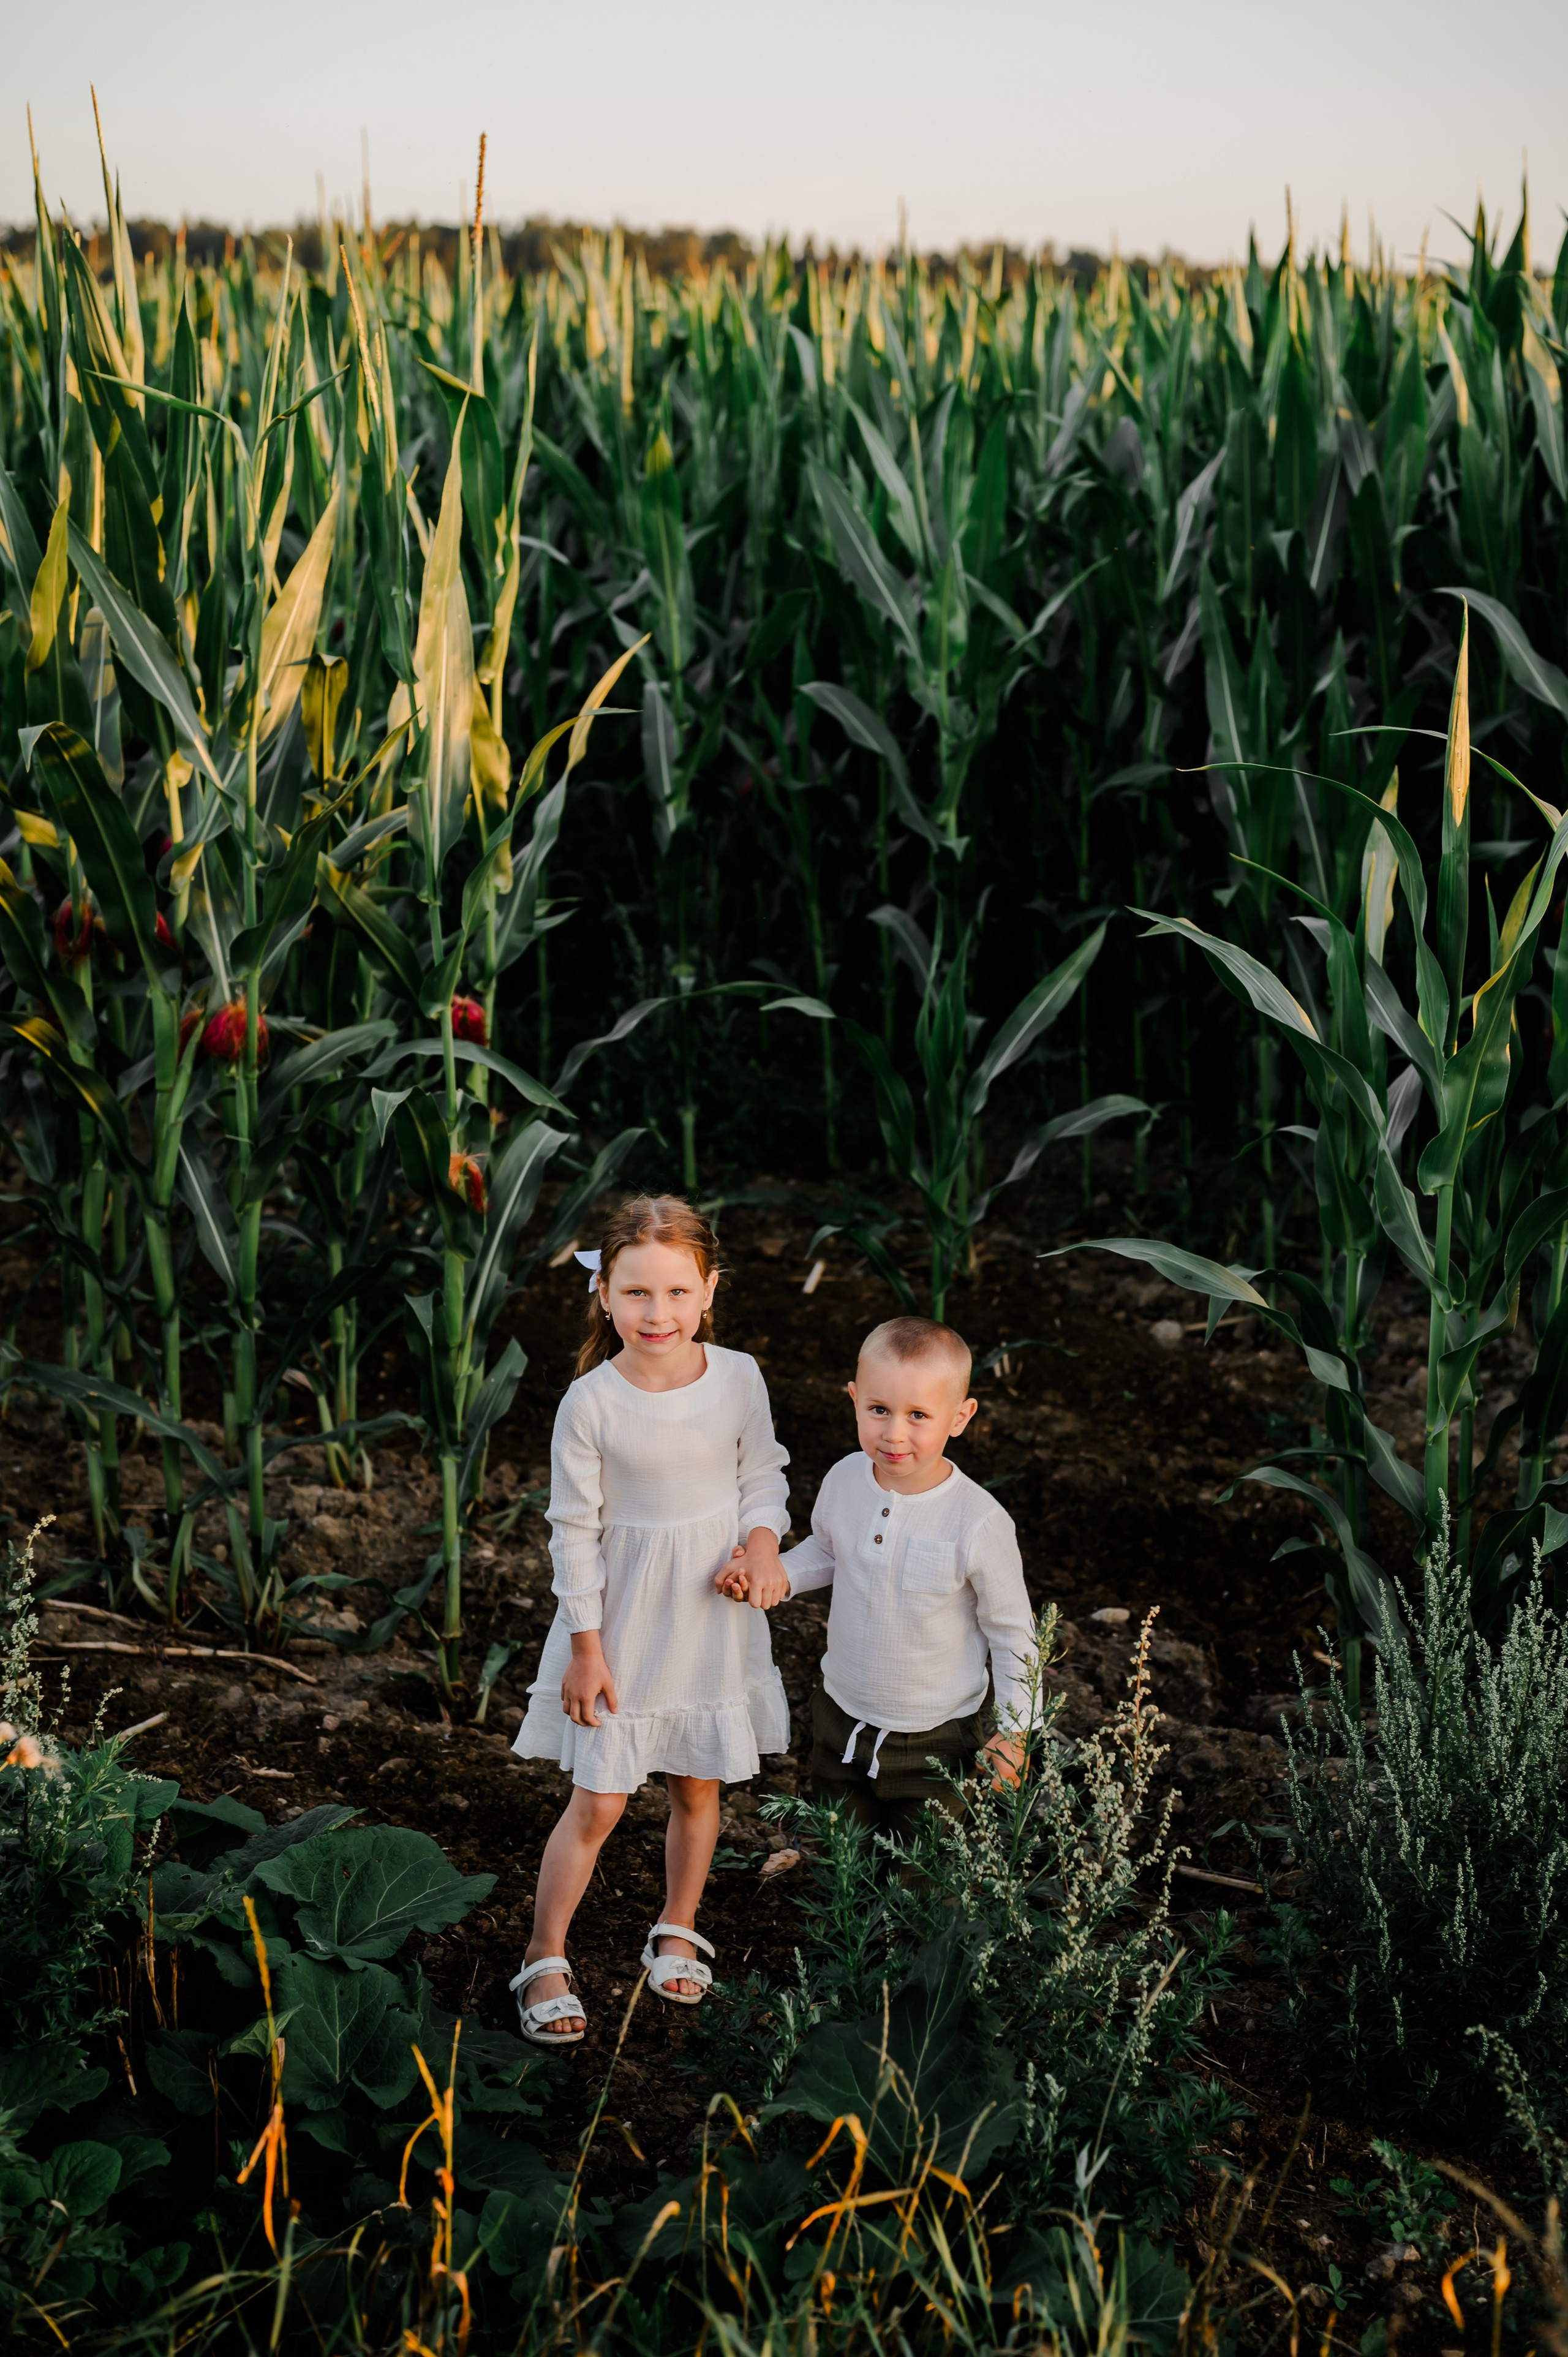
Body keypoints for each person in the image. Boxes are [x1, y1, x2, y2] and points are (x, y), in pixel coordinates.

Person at [509, 1194, 791, 2044]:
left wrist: (764, 1546)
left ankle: (677, 1922)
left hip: (710, 1614)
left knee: (697, 1787)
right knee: (598, 1801)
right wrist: (586, 1649)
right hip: (623, 1626)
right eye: (636, 1294)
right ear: (604, 1295)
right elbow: (575, 1533)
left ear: (709, 1291)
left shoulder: (738, 1376)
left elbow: (763, 1475)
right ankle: (543, 1953)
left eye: (675, 1293)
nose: (657, 1313)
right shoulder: (591, 1403)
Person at [724, 1314, 1033, 1839]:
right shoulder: (846, 1478)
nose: (894, 1434)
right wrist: (774, 1574)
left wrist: (1016, 1732)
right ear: (854, 1398)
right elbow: (828, 1550)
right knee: (842, 1860)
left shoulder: (977, 1521)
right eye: (879, 1410)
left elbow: (1012, 1633)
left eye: (918, 1415)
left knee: (923, 1879)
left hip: (936, 1738)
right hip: (841, 1714)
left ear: (960, 1417)